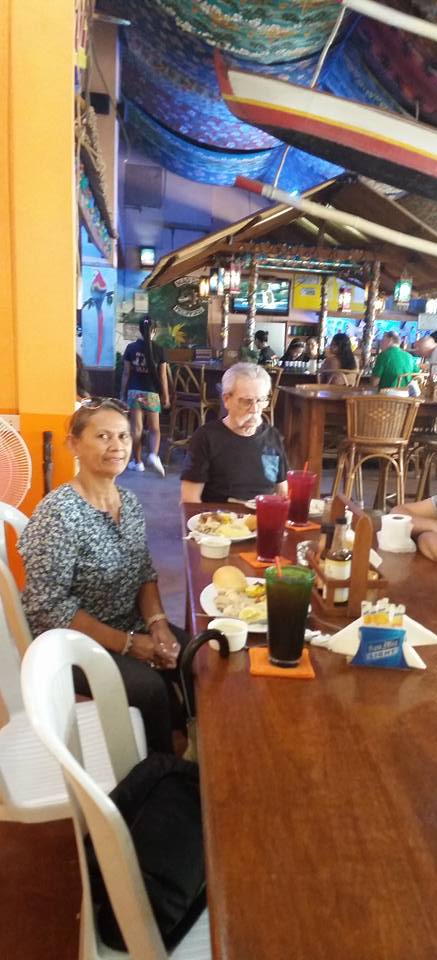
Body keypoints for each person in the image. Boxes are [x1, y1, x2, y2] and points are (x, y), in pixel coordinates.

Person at [18, 399, 188, 753]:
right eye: (103, 436)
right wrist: (129, 644)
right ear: (74, 444)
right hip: (70, 644)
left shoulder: (129, 502)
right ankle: (160, 772)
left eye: (124, 436)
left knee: (194, 655)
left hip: (128, 623)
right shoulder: (58, 515)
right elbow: (48, 609)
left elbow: (143, 571)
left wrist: (157, 625)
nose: (117, 446)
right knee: (151, 689)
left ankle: (196, 744)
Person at [180, 362, 288, 503]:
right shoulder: (206, 437)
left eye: (261, 400)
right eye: (246, 401)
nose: (255, 409)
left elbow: (282, 491)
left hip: (263, 513)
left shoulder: (272, 437)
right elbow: (189, 499)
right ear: (226, 400)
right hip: (220, 515)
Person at [121, 317, 169, 477]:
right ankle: (154, 455)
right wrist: (166, 396)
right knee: (154, 429)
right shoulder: (159, 350)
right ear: (154, 331)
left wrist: (122, 394)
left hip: (135, 392)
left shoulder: (131, 348)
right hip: (152, 393)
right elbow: (163, 377)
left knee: (136, 429)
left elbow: (126, 374)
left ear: (139, 330)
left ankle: (138, 462)